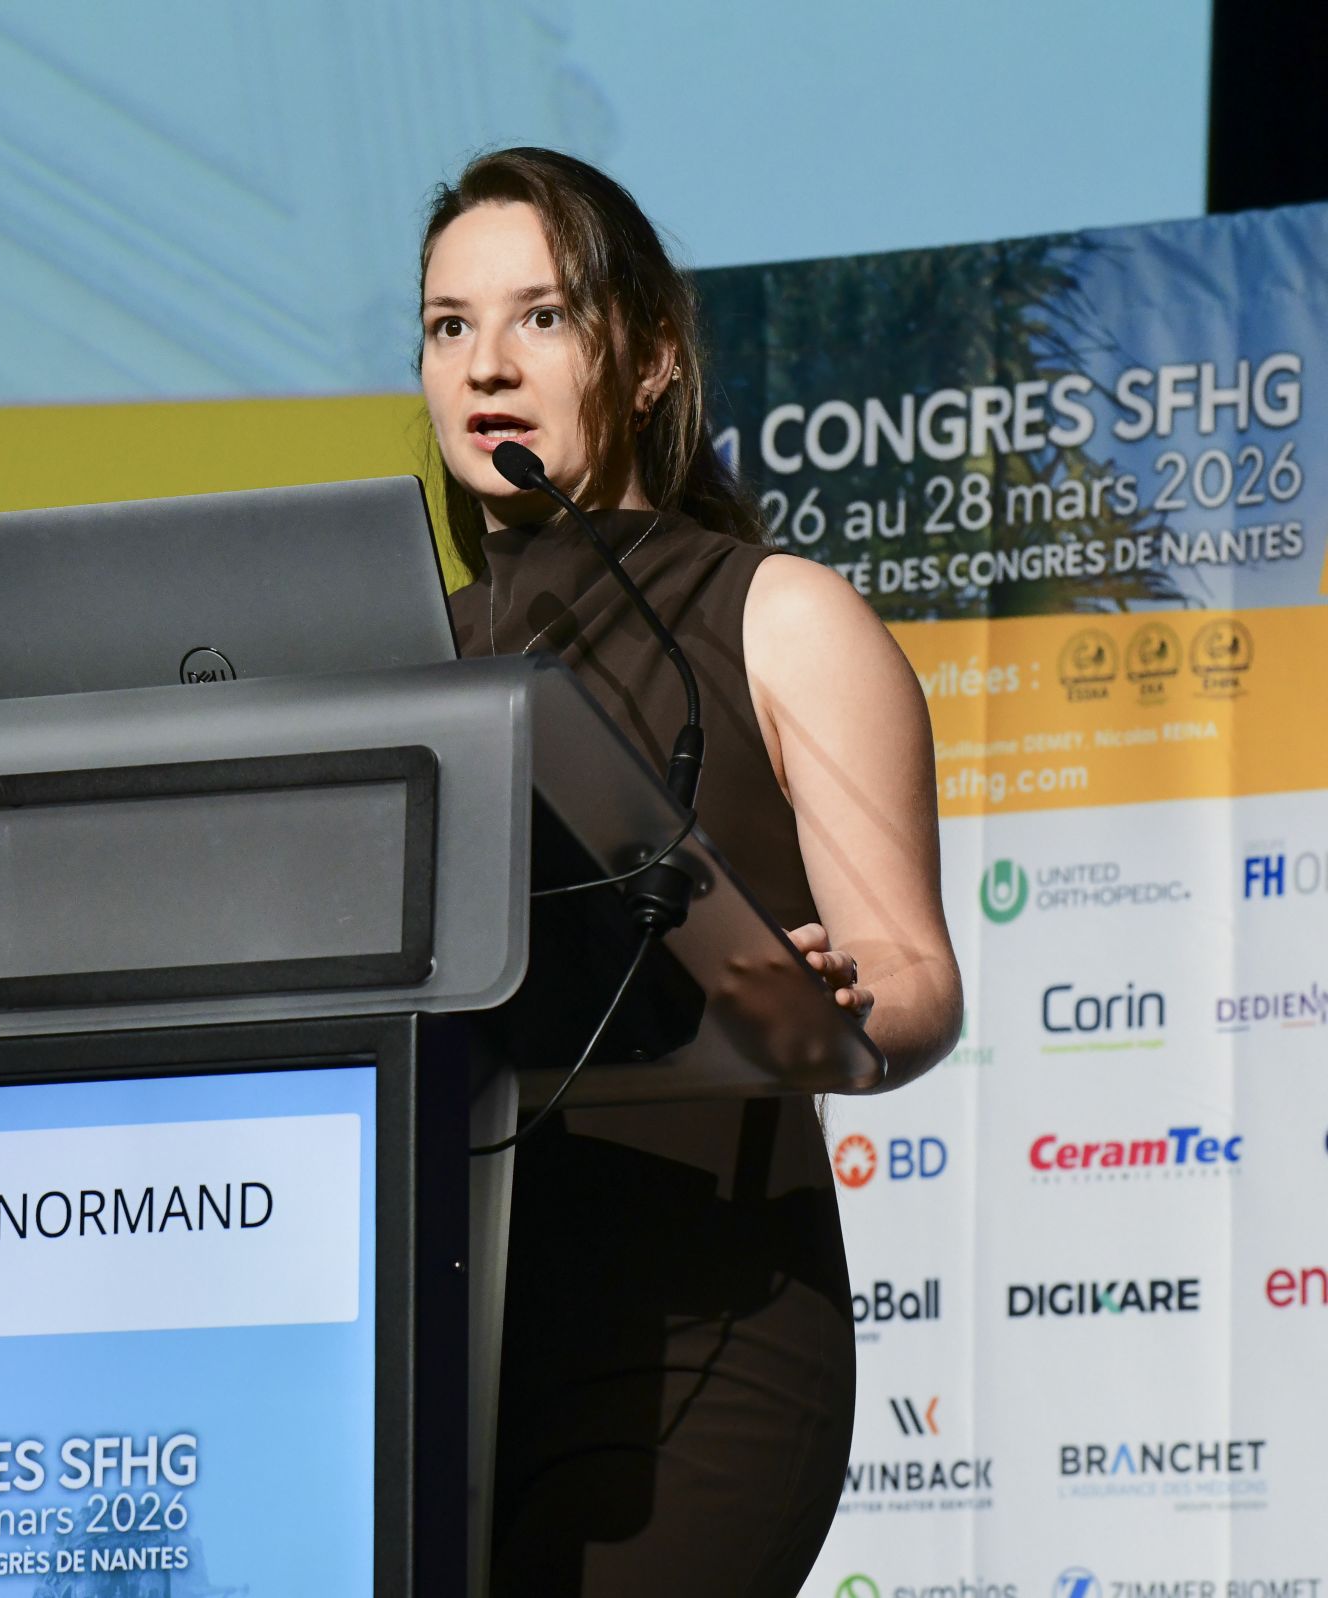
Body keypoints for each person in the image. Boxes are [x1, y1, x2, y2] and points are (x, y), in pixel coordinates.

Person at [419, 148, 963, 1595]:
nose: (486, 364)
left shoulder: (777, 615)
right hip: (422, 1345)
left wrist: (838, 1002)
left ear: (654, 355)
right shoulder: (404, 661)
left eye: (542, 316)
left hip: (700, 1333)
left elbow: (915, 974)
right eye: (449, 325)